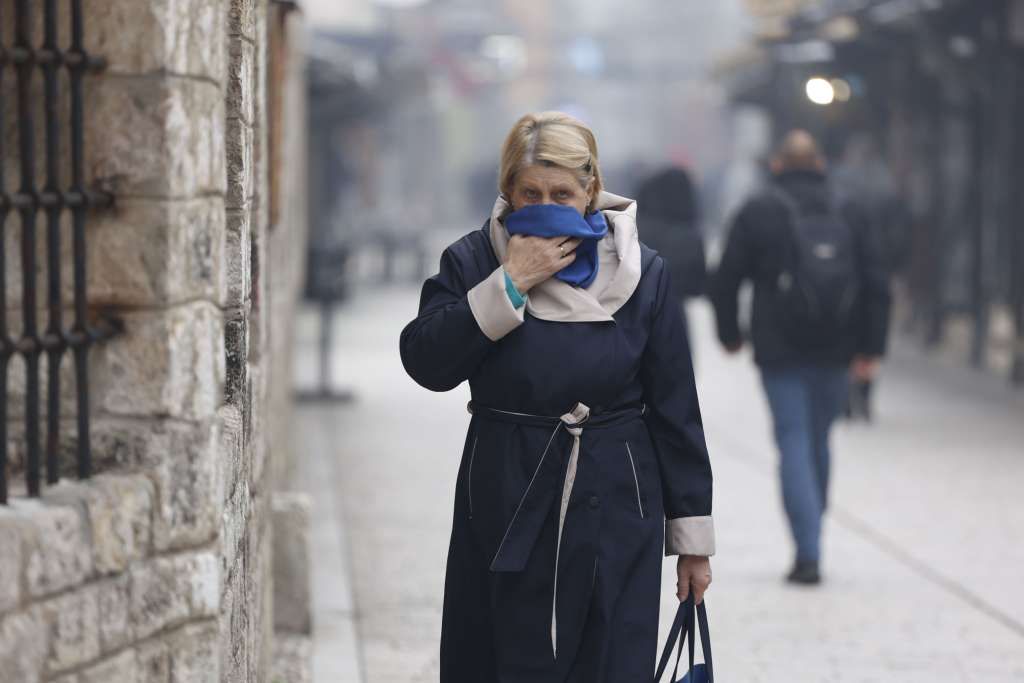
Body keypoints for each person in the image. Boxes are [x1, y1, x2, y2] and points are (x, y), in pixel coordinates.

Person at [400, 111, 715, 681]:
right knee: (505, 656)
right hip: (506, 489)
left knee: (610, 656)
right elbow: (426, 361)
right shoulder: (474, 259)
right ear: (508, 192)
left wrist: (693, 542)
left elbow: (676, 410)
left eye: (562, 193)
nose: (546, 205)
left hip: (619, 496)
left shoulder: (644, 272)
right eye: (531, 193)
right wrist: (510, 283)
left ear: (591, 191)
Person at [709, 130, 890, 585]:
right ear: (821, 163)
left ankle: (807, 550)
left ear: (776, 165)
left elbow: (726, 277)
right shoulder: (850, 209)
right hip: (837, 345)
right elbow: (875, 282)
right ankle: (813, 530)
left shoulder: (758, 210)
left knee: (792, 440)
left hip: (779, 348)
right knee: (819, 438)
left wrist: (730, 334)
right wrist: (871, 349)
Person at [635, 167, 707, 304]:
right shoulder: (690, 238)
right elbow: (697, 287)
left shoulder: (635, 231)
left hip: (634, 313)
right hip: (674, 313)